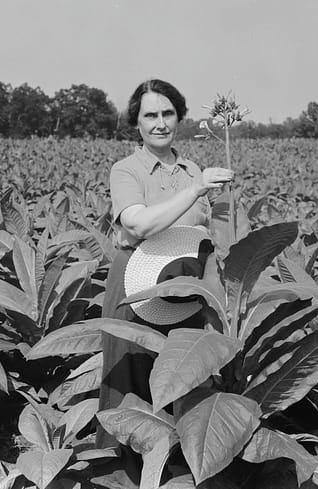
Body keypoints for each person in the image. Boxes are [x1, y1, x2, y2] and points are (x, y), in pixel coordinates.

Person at [96, 79, 234, 462]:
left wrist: (216, 299)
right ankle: (122, 477)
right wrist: (194, 190)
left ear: (179, 117)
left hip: (188, 287)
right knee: (131, 381)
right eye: (150, 115)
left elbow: (209, 238)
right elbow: (138, 226)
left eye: (167, 113)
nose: (160, 123)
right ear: (135, 123)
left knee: (185, 376)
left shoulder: (194, 169)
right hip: (137, 285)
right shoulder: (126, 170)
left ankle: (180, 470)